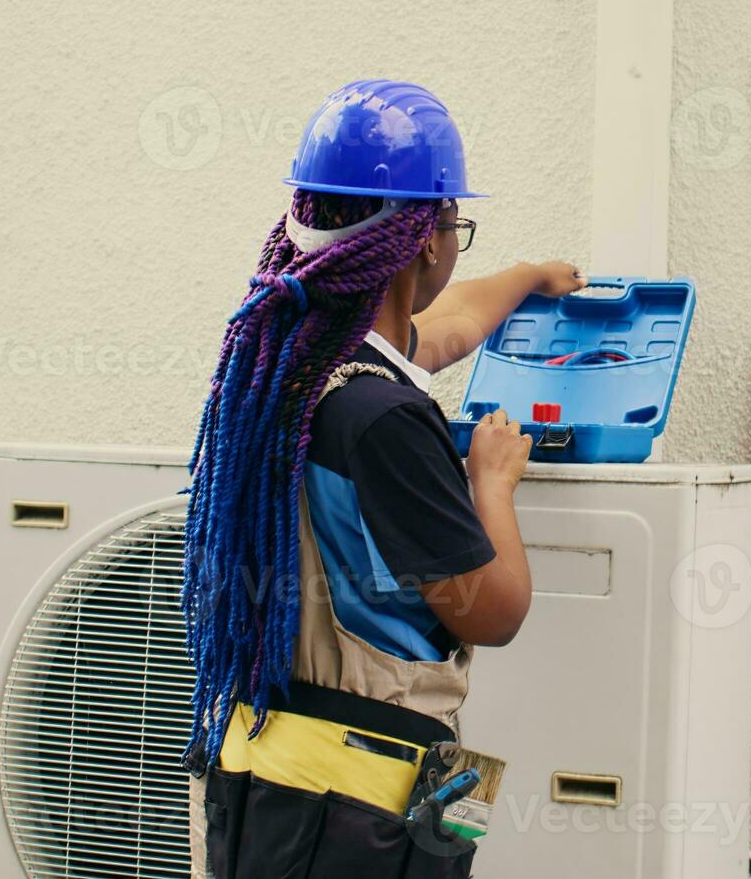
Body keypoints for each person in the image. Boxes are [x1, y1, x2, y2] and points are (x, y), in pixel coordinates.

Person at [182, 79, 584, 878]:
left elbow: (440, 328)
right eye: (452, 227)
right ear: (428, 242)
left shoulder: (295, 368)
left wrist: (528, 277)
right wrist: (492, 484)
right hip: (358, 807)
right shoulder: (387, 421)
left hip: (263, 766)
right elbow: (490, 612)